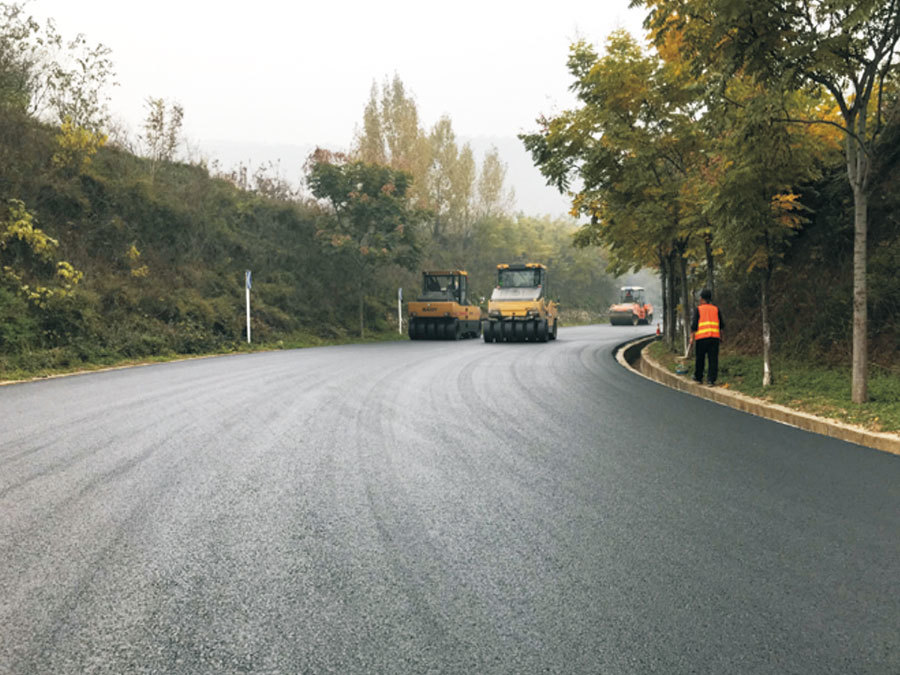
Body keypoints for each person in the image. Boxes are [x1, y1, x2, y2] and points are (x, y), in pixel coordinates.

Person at [691, 288, 725, 385]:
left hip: (701, 338)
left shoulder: (699, 309)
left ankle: (699, 377)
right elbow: (721, 325)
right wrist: (721, 337)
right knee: (713, 359)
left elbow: (694, 325)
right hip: (714, 338)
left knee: (700, 359)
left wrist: (691, 338)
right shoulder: (716, 309)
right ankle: (711, 380)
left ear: (702, 299)